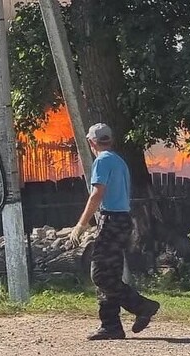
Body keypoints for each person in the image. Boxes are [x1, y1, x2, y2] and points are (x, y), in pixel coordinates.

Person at [69, 122, 160, 340]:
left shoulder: (101, 161)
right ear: (110, 139)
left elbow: (97, 193)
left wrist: (81, 224)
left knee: (100, 274)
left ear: (92, 142)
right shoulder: (119, 161)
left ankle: (143, 306)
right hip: (123, 220)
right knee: (109, 273)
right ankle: (110, 326)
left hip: (111, 220)